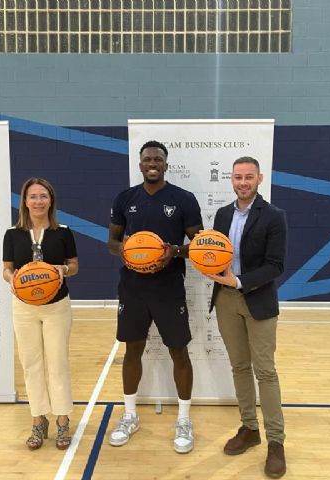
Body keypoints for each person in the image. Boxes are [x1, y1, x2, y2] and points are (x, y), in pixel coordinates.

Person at [107, 140, 203, 454]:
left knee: (179, 351)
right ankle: (130, 415)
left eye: (158, 159)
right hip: (132, 288)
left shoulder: (183, 199)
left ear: (165, 164)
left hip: (168, 287)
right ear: (140, 164)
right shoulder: (125, 198)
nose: (152, 163)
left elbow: (199, 246)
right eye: (147, 159)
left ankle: (184, 420)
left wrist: (173, 252)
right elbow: (112, 240)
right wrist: (123, 251)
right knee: (132, 351)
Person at [204, 157, 288, 478]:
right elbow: (211, 253)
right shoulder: (223, 214)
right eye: (238, 177)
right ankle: (249, 429)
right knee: (239, 366)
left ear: (259, 178)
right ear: (232, 180)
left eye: (248, 177)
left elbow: (275, 266)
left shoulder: (274, 216)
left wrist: (238, 281)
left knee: (265, 372)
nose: (242, 182)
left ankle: (276, 443)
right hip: (225, 300)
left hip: (257, 300)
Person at [2, 177, 79, 451]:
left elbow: (74, 266)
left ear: (51, 200)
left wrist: (62, 270)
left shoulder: (63, 232)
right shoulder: (12, 234)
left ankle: (62, 420)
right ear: (25, 201)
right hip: (24, 307)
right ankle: (38, 420)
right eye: (33, 196)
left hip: (57, 304)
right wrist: (12, 279)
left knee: (57, 363)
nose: (38, 201)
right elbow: (7, 268)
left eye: (43, 196)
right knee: (31, 363)